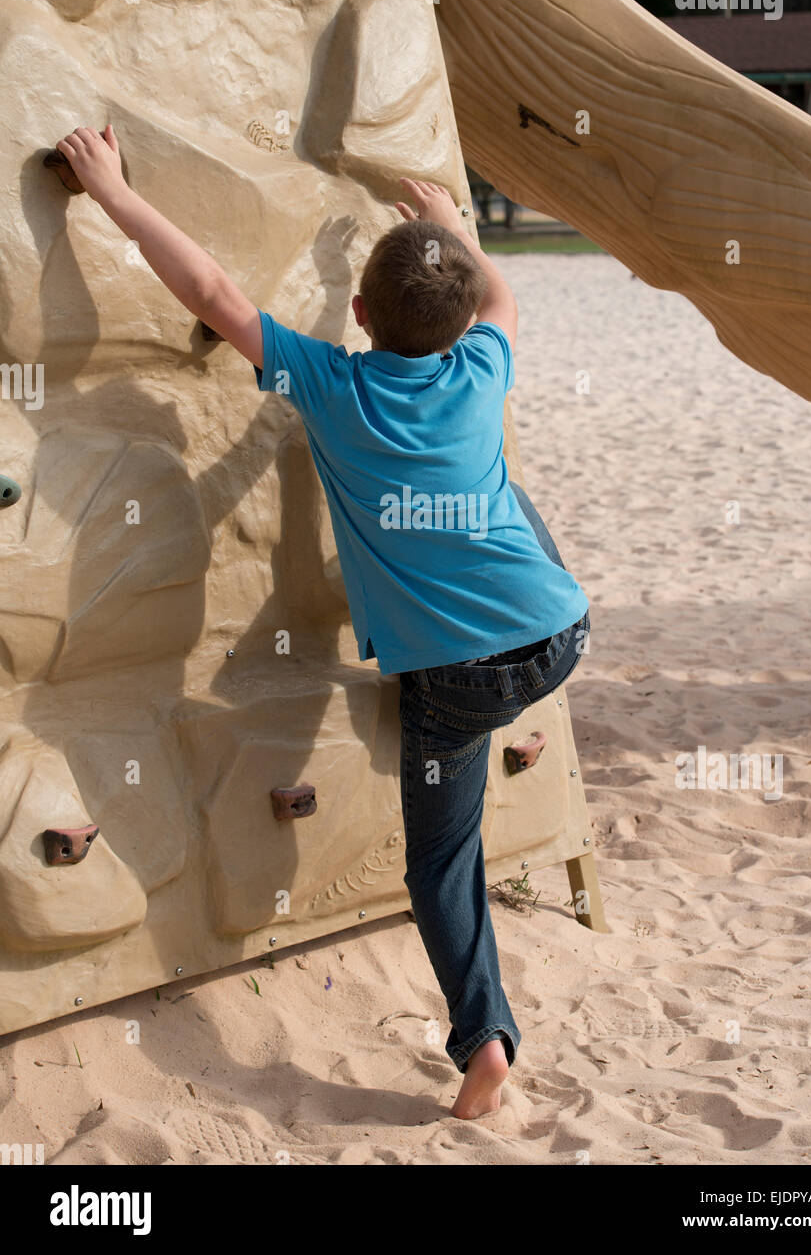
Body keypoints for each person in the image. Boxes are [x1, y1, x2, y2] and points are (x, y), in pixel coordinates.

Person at [53, 126, 590, 1121]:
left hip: (457, 677)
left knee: (439, 859)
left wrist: (115, 193)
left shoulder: (332, 385)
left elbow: (214, 296)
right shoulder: (481, 364)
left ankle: (486, 1041)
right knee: (499, 505)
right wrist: (445, 230)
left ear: (355, 316)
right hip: (558, 632)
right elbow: (501, 300)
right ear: (462, 311)